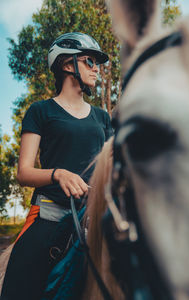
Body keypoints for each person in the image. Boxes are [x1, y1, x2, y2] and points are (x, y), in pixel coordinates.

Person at [1, 32, 113, 300]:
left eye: (97, 63)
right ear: (66, 64)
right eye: (89, 61)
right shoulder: (40, 111)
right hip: (48, 215)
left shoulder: (102, 117)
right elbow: (23, 173)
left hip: (95, 218)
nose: (96, 68)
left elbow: (112, 167)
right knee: (18, 285)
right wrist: (58, 174)